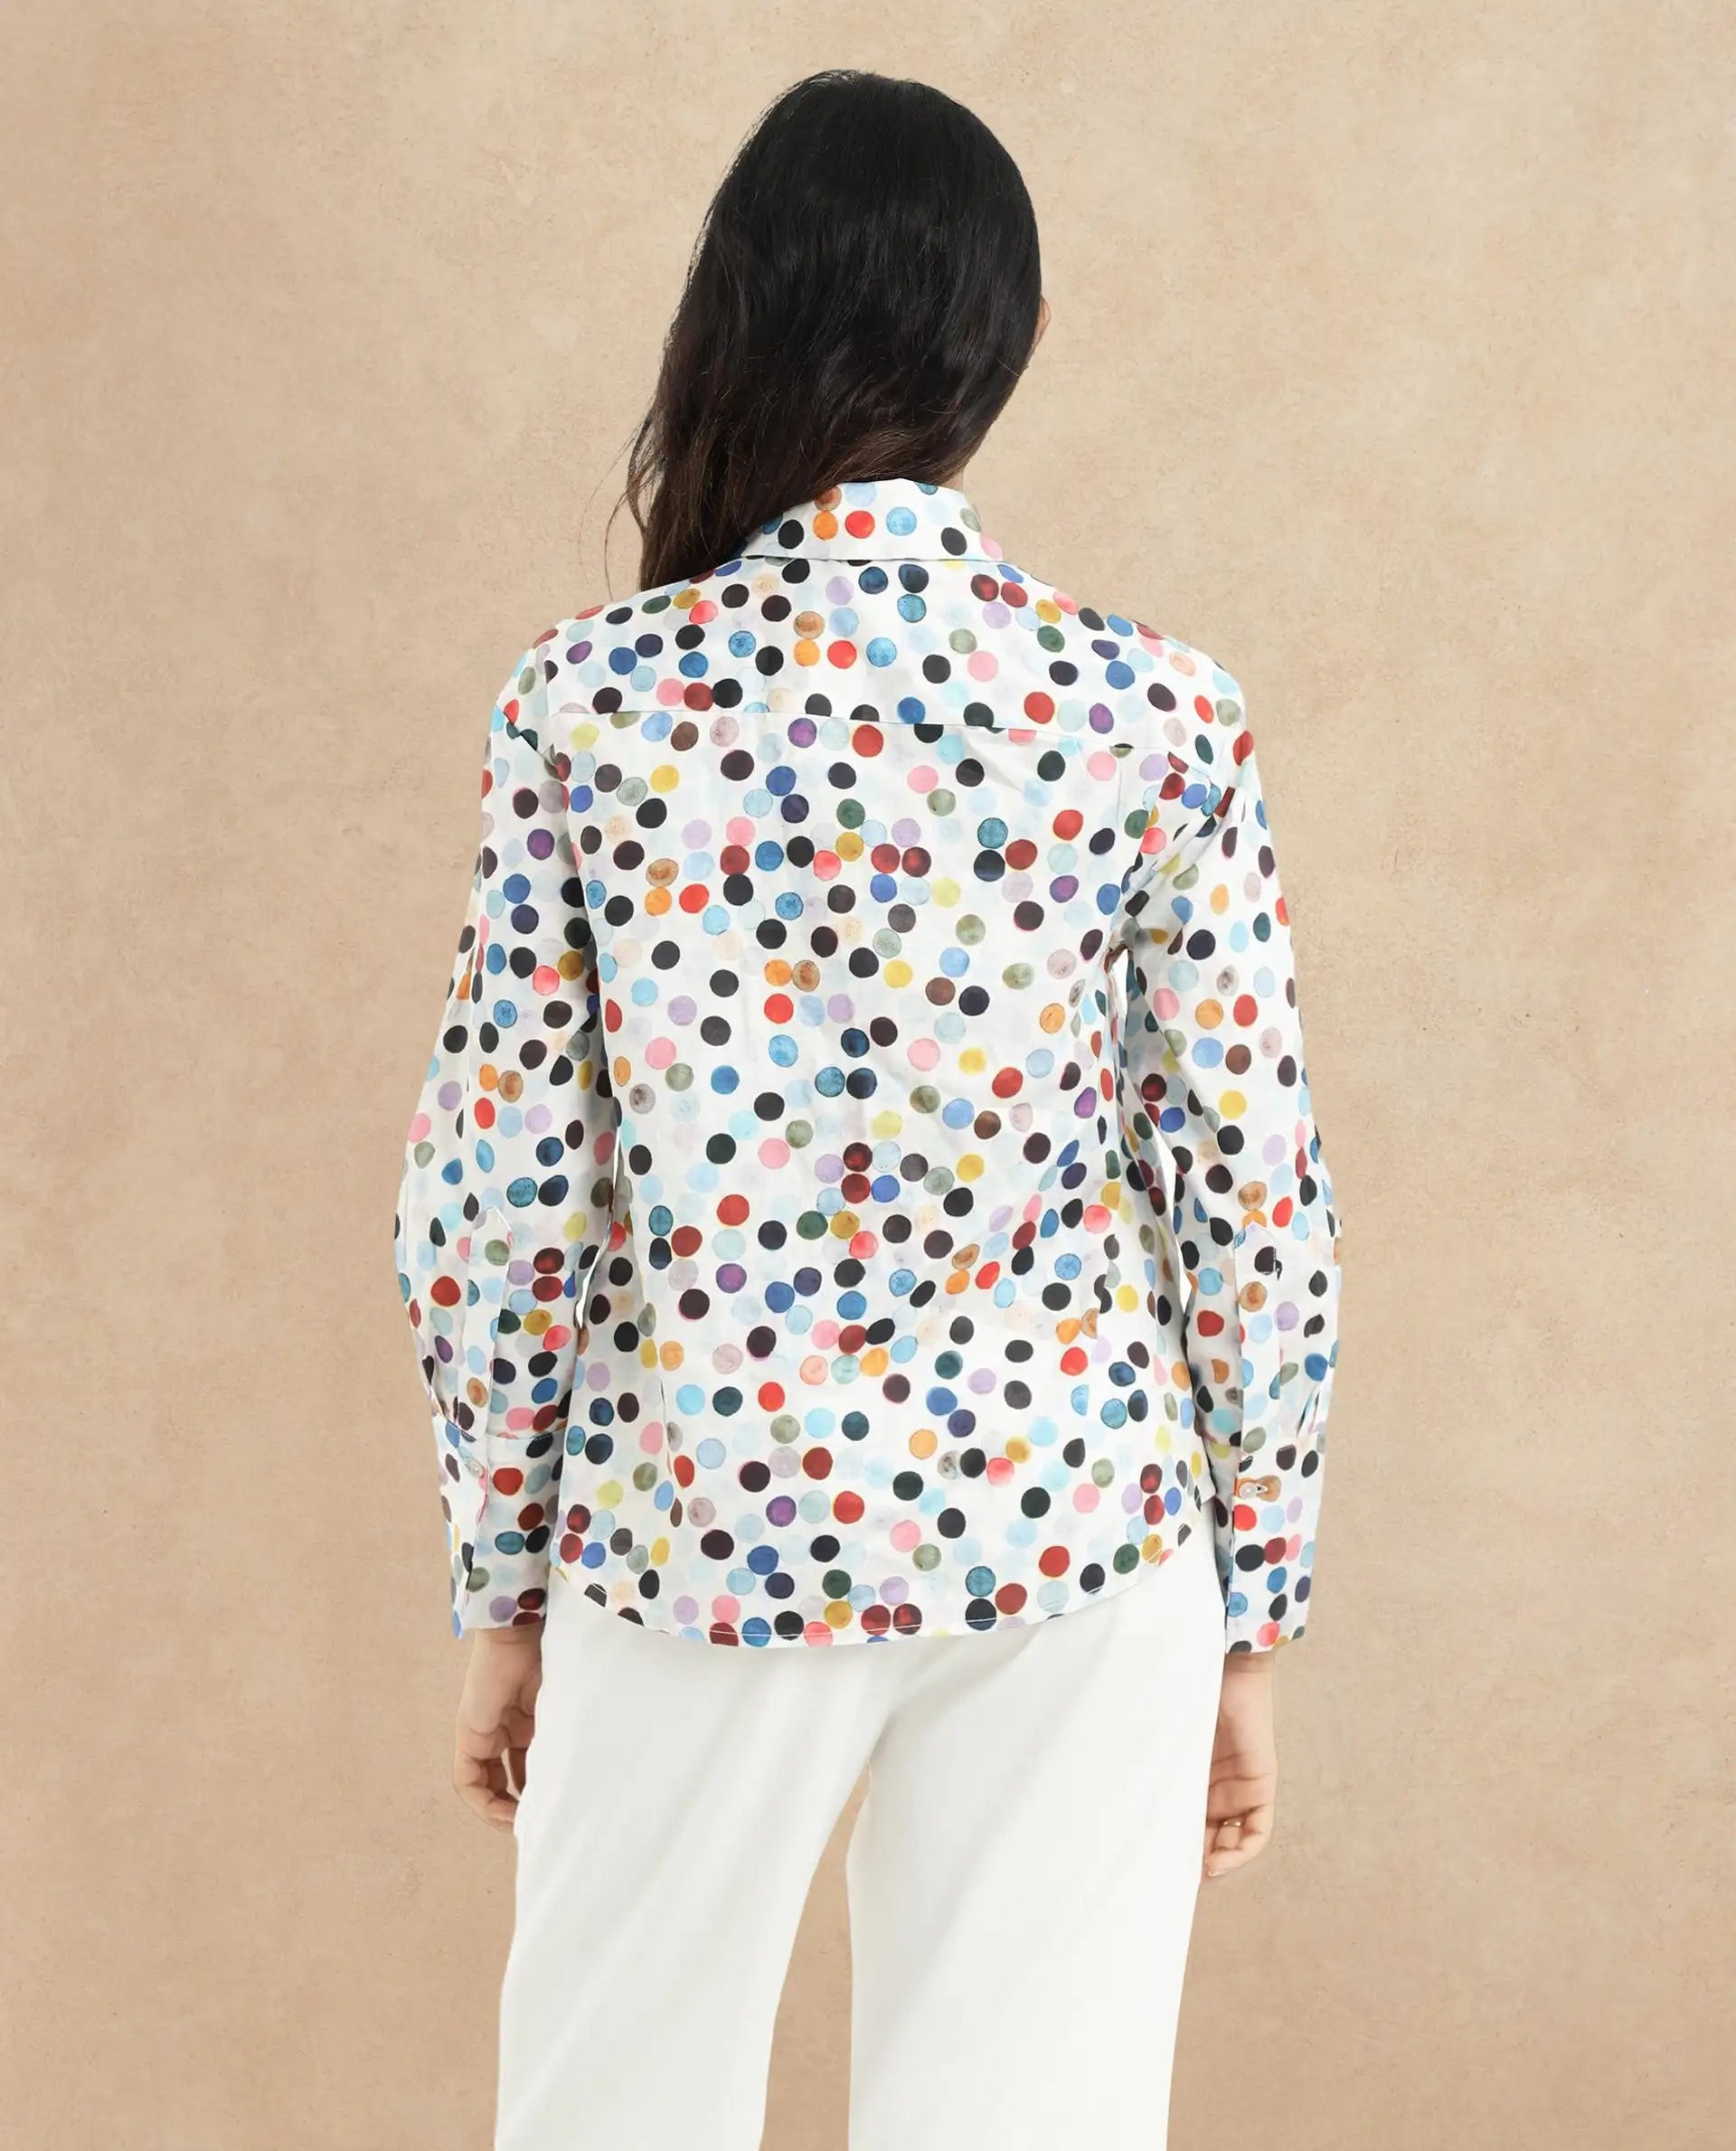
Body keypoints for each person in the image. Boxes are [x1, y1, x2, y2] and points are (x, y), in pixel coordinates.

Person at [391, 65, 1343, 2151]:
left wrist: (508, 1580)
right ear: (1005, 344)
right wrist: (1253, 1612)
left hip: (697, 1527)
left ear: (735, 312)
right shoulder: (1157, 712)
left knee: (610, 2117)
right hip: (1080, 1530)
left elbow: (499, 1193)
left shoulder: (592, 702)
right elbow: (1249, 1188)